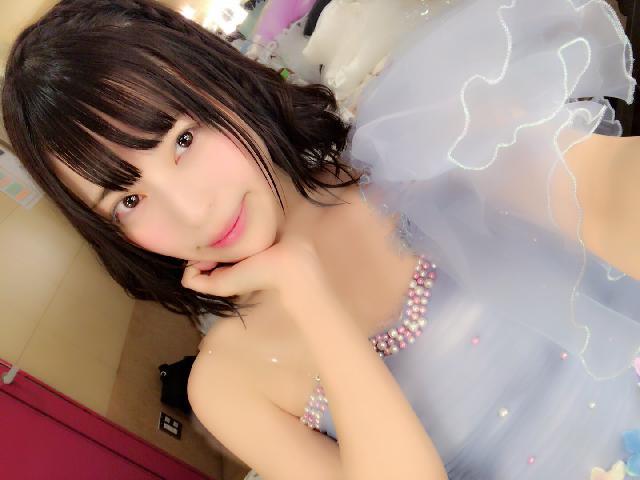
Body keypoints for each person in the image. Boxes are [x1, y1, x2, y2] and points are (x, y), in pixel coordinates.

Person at [2, 0, 639, 479]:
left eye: (183, 140)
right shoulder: (226, 385)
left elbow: (613, 198)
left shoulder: (414, 145)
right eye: (129, 200)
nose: (193, 212)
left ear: (219, 83)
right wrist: (307, 294)